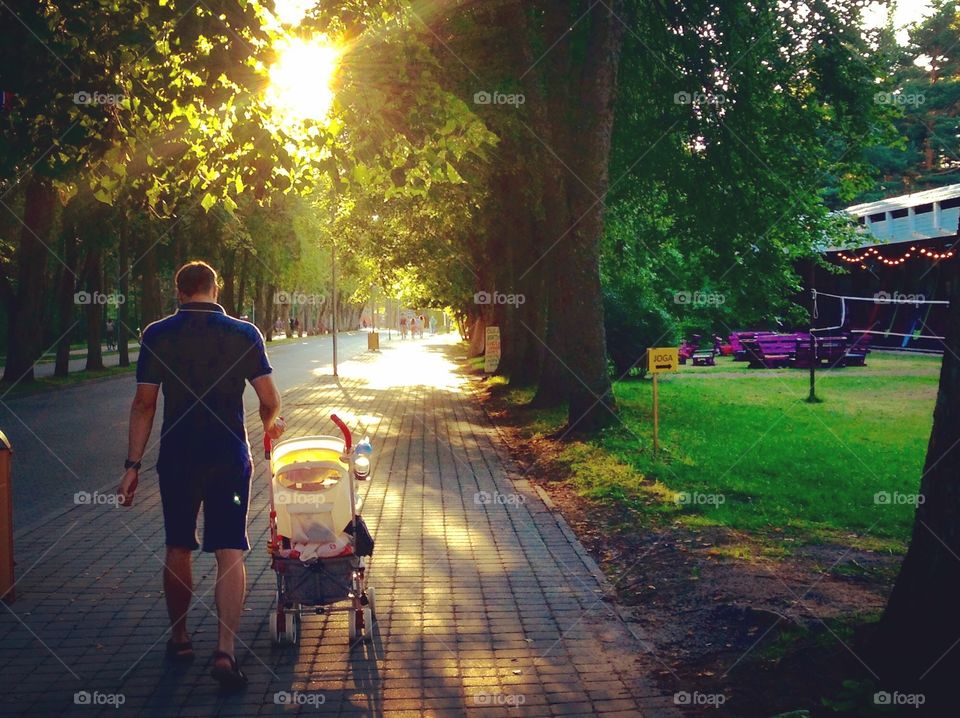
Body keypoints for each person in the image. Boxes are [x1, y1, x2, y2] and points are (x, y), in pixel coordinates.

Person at [117, 261, 285, 693]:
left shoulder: (157, 335)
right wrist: (268, 425)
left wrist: (132, 466)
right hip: (228, 456)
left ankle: (180, 639)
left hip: (177, 456)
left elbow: (143, 404)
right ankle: (225, 651)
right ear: (215, 288)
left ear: (179, 292)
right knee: (230, 548)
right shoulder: (244, 333)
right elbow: (270, 398)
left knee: (178, 544)